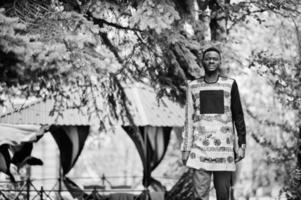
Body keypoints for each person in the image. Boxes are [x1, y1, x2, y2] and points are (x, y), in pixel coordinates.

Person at [181, 46, 246, 200]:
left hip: (224, 152)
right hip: (199, 150)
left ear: (220, 62)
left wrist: (242, 145)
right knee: (199, 196)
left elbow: (238, 116)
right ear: (202, 61)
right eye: (208, 58)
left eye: (215, 58)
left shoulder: (230, 84)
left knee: (223, 195)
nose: (211, 61)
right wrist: (186, 148)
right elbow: (188, 119)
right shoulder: (193, 86)